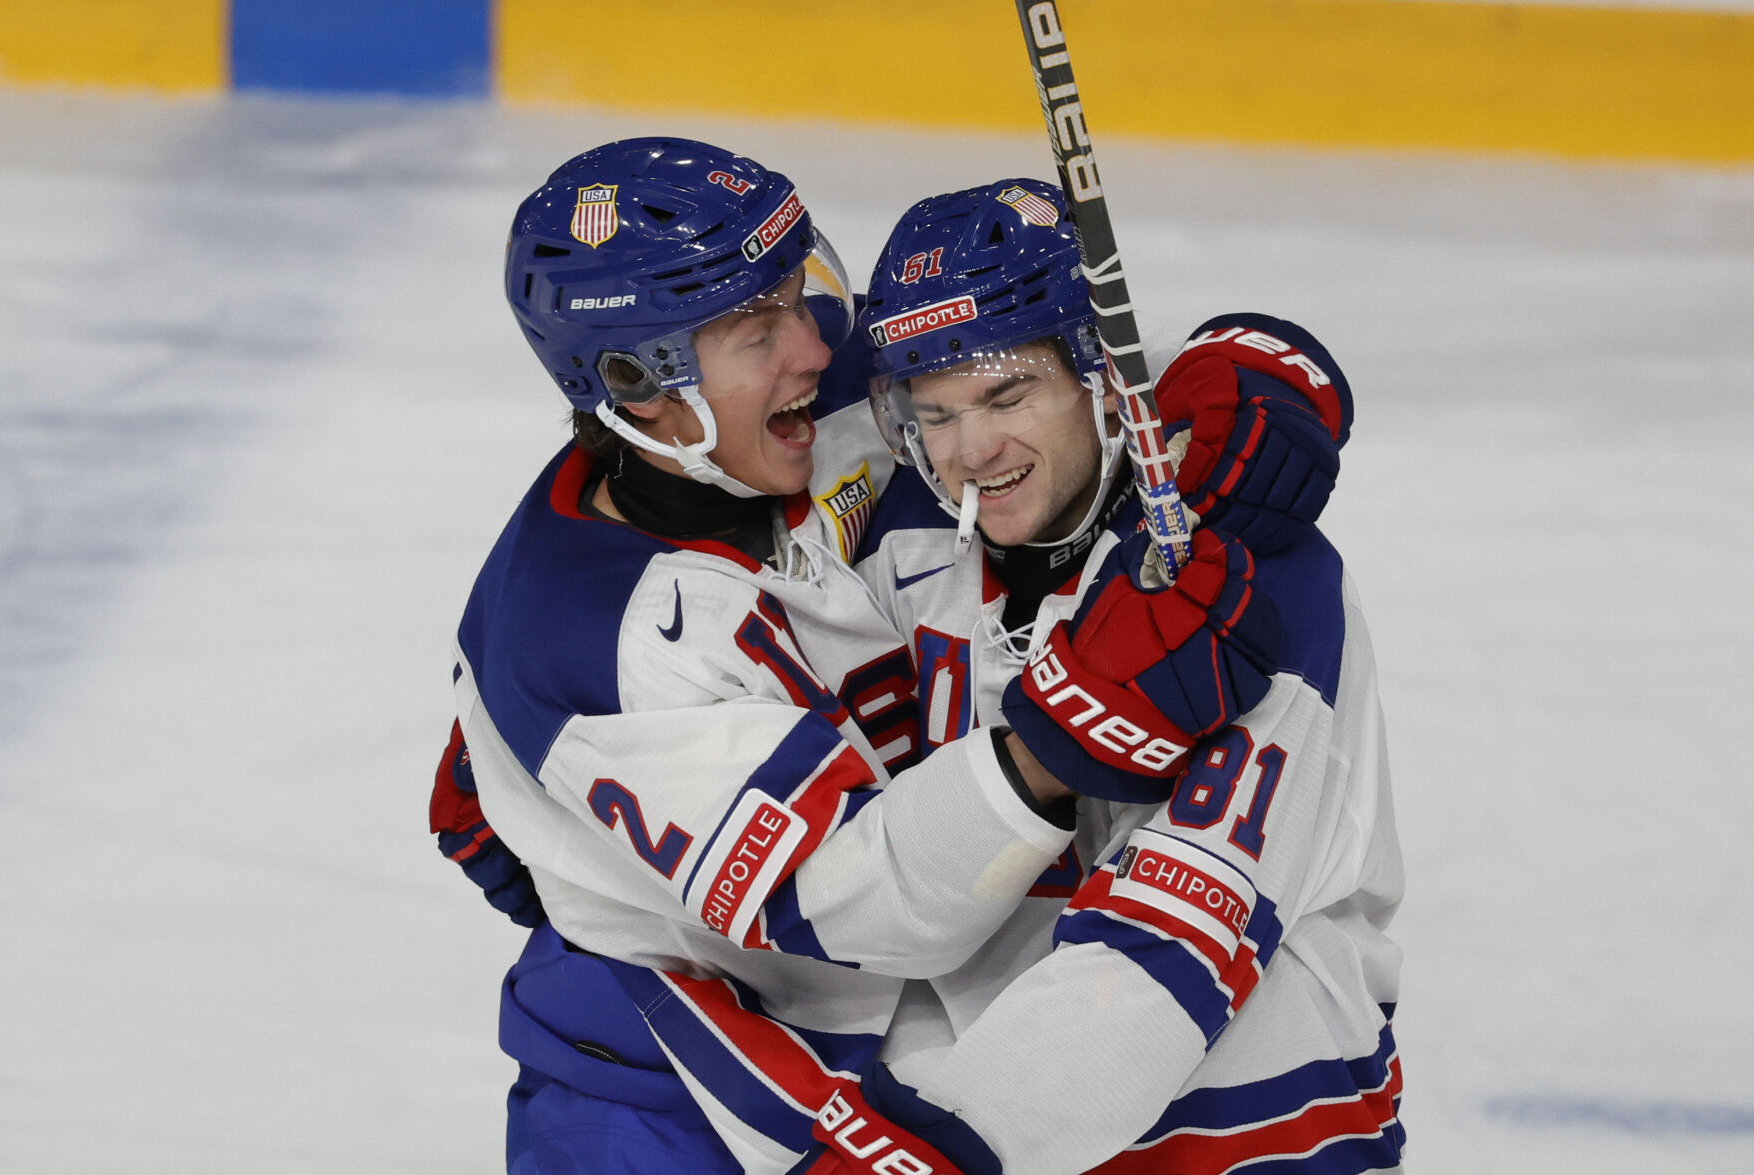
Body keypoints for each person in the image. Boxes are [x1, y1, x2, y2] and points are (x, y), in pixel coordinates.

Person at [437, 143, 1273, 1174]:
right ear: (637, 385)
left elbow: (1052, 359)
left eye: (799, 292)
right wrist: (1066, 730)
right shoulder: (606, 646)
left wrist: (1251, 376)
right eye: (757, 329)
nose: (818, 345)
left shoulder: (779, 414)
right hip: (667, 1097)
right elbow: (872, 904)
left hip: (868, 1050)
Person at [794, 180, 1405, 1174]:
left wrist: (922, 1153)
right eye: (933, 412)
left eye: (1006, 395)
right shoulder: (904, 546)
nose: (970, 450)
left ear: (1099, 375)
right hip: (996, 1120)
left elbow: (1165, 947)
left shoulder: (1255, 580)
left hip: (1250, 1135)